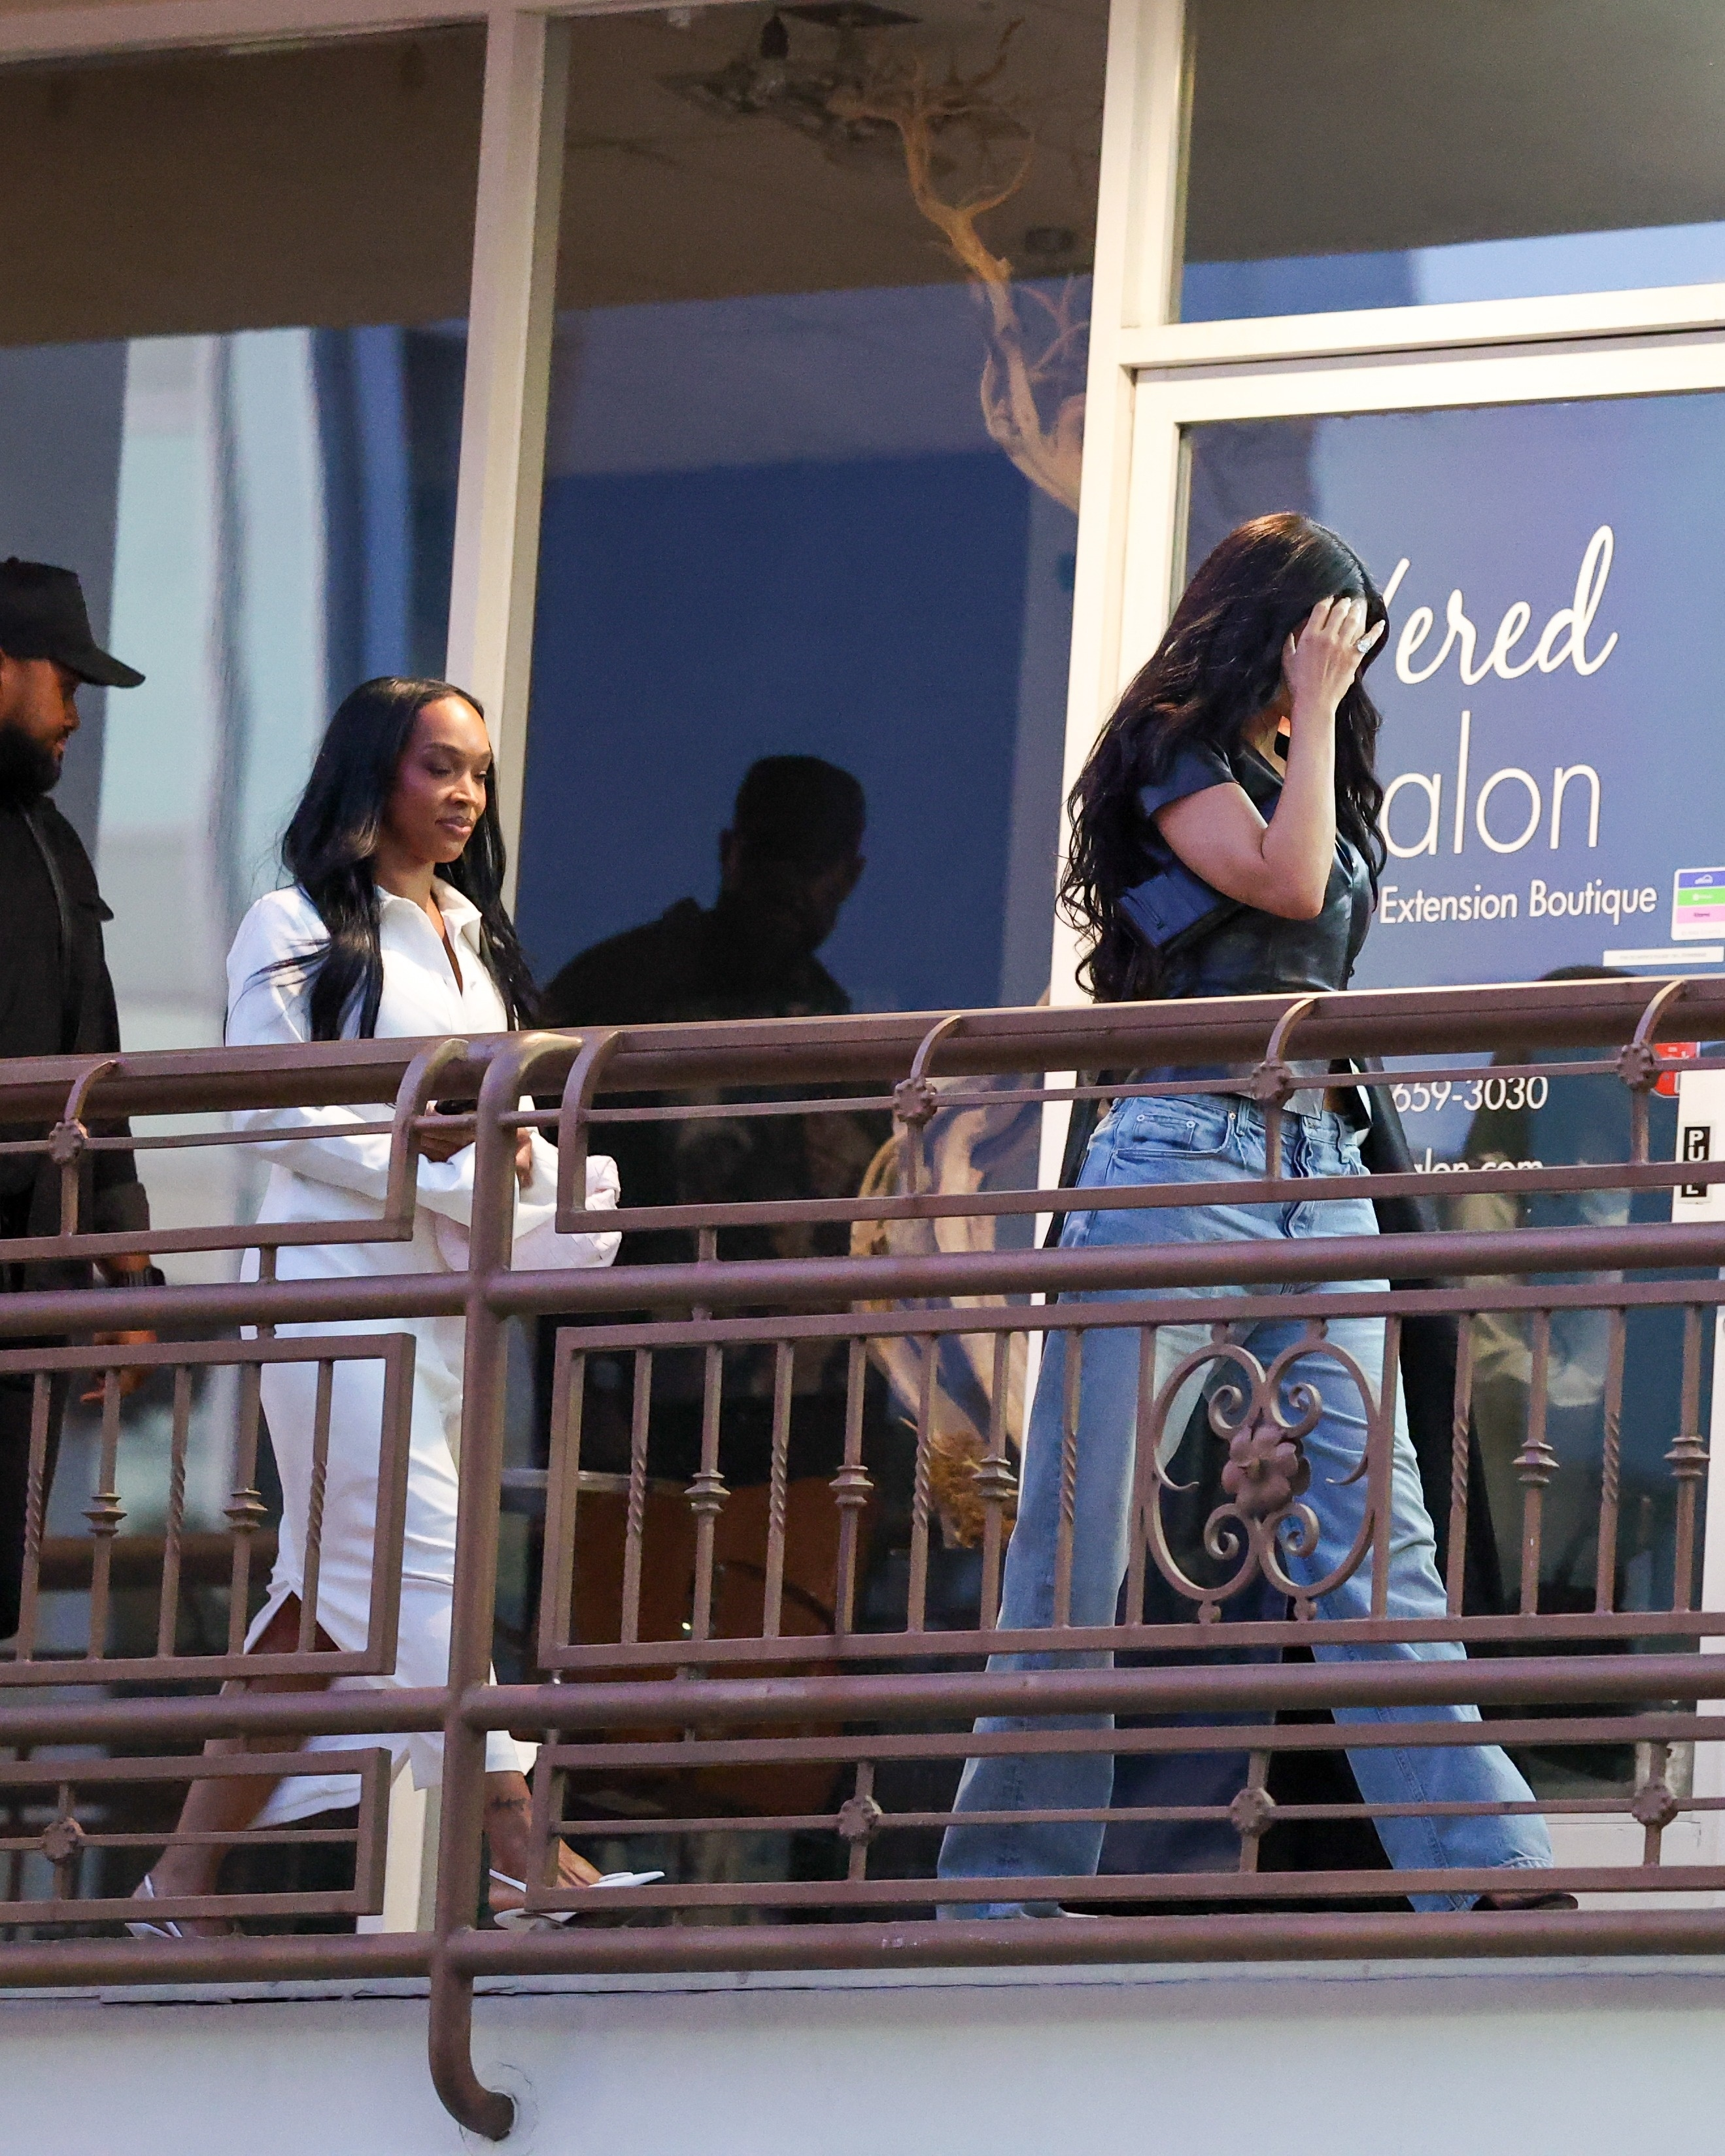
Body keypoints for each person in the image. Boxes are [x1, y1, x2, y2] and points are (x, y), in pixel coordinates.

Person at [937, 513, 1559, 1914]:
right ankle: (998, 1886)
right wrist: (1323, 709)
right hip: (1177, 1160)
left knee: (1371, 1545)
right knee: (1074, 1549)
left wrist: (1322, 729)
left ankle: (1486, 1871)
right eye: (1326, 637)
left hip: (1316, 1170)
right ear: (1271, 627)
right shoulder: (1175, 744)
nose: (1340, 666)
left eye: (1354, 648)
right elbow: (1282, 888)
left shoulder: (1301, 761)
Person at [131, 677, 658, 1938]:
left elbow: (495, 1139)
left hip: (446, 1312)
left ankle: (174, 1884)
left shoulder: (474, 942)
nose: (467, 792)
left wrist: (534, 1172)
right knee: (426, 1554)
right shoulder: (289, 923)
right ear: (375, 775)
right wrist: (439, 1158)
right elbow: (270, 1104)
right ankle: (516, 1829)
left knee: (326, 1595)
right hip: (334, 1300)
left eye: (478, 770)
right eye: (439, 766)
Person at [0, 557, 154, 1645]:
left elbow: (93, 1060)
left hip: (24, 1279)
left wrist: (127, 1254)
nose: (76, 719)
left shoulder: (49, 841)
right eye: (68, 684)